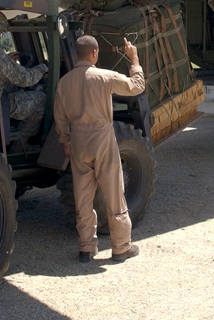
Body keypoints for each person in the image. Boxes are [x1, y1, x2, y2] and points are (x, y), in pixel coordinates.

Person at [54, 34, 146, 263]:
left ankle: (86, 247)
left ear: (77, 54)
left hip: (78, 141)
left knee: (83, 197)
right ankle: (121, 246)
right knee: (115, 194)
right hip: (102, 139)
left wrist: (66, 141)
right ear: (94, 53)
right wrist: (134, 60)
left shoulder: (64, 82)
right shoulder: (105, 77)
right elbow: (137, 86)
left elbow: (60, 117)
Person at [0, 7, 48, 146]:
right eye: (0, 33)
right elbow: (26, 79)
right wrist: (42, 68)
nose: (0, 37)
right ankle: (20, 146)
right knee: (41, 98)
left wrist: (7, 59)